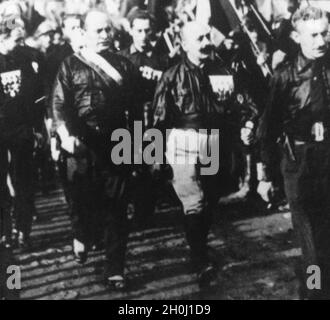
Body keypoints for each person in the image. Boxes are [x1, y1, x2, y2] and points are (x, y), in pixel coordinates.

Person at [152, 21, 257, 288]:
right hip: (183, 143)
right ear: (184, 44)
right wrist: (154, 156)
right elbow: (159, 119)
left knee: (209, 200)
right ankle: (200, 260)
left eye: (207, 37)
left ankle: (198, 246)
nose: (206, 43)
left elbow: (243, 104)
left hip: (213, 144)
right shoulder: (171, 76)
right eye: (198, 39)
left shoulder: (223, 72)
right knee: (194, 202)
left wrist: (247, 123)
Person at [51, 10, 136, 290]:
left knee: (117, 207)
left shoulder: (125, 66)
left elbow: (137, 110)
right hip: (82, 145)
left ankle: (115, 269)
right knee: (82, 201)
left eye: (107, 30)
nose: (104, 35)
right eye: (97, 31)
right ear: (85, 33)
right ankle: (81, 234)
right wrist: (64, 135)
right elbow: (59, 105)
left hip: (116, 143)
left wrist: (143, 150)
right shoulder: (69, 65)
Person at [257, 6, 330, 300]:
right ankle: (314, 294)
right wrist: (266, 174)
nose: (321, 41)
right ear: (296, 36)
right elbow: (268, 127)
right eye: (313, 35)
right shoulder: (284, 76)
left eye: (325, 33)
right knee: (311, 245)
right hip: (300, 166)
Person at [120, 9, 170, 227]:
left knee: (151, 166)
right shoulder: (122, 57)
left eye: (146, 30)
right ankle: (128, 207)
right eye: (138, 30)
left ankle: (145, 211)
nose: (142, 35)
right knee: (125, 164)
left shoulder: (162, 59)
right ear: (131, 30)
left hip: (154, 118)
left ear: (153, 32)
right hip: (128, 118)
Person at [0, 21, 44, 250]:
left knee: (24, 182)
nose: (21, 44)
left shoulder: (24, 60)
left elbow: (34, 95)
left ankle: (23, 231)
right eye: (16, 40)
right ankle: (5, 232)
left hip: (22, 129)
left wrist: (37, 127)